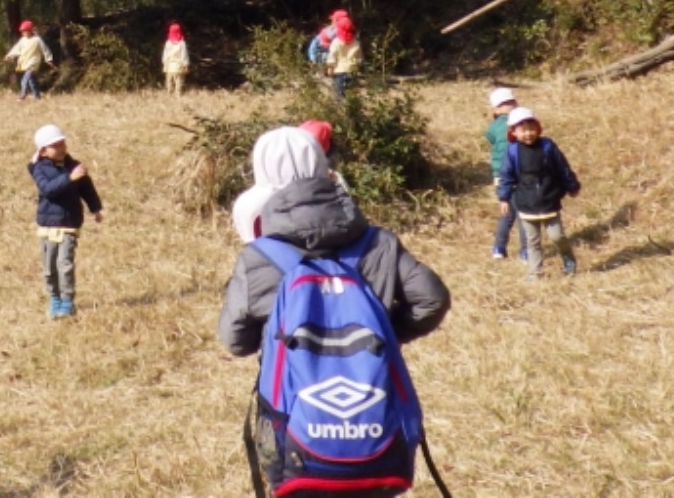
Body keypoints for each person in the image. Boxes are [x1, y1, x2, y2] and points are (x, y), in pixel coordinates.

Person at [219, 126, 451, 498]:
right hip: (376, 420)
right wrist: (388, 333)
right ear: (323, 164)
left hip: (294, 431)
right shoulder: (380, 243)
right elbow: (432, 298)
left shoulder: (258, 256)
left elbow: (234, 341)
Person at [497, 105, 581, 278]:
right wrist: (504, 198)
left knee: (557, 236)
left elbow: (562, 167)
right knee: (532, 241)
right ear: (513, 132)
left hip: (549, 199)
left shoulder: (547, 146)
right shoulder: (512, 151)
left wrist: (572, 185)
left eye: (531, 128)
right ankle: (535, 273)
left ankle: (568, 259)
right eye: (523, 130)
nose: (528, 133)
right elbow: (506, 175)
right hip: (526, 203)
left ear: (538, 128)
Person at [28, 122, 102, 317]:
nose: (61, 148)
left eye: (62, 143)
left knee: (65, 264)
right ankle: (55, 298)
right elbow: (48, 190)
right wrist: (70, 178)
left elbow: (87, 189)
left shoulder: (75, 167)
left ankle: (68, 302)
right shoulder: (39, 169)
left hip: (69, 224)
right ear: (43, 151)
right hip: (47, 226)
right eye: (55, 146)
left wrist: (95, 208)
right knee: (49, 267)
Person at [484, 87, 526, 261]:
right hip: (518, 173)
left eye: (510, 102)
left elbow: (490, 139)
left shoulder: (492, 128)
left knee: (507, 214)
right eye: (506, 103)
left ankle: (499, 248)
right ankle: (526, 251)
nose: (509, 105)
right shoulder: (518, 125)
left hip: (499, 176)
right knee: (524, 213)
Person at [3, 20, 55, 100]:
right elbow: (17, 48)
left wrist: (48, 59)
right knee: (32, 81)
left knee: (25, 80)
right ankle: (37, 97)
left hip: (33, 63)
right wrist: (10, 55)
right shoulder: (23, 40)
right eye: (22, 31)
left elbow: (45, 49)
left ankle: (22, 95)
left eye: (25, 31)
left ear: (30, 30)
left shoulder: (37, 39)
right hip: (25, 62)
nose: (24, 33)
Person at [323, 10, 361, 100]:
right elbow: (359, 57)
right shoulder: (356, 42)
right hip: (352, 70)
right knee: (351, 94)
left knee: (339, 95)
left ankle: (341, 111)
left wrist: (330, 68)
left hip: (340, 71)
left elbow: (332, 56)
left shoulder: (336, 42)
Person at [162, 23, 191, 95]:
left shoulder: (168, 43)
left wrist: (164, 63)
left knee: (169, 81)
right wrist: (186, 64)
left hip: (169, 66)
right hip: (178, 66)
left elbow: (165, 54)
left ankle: (169, 95)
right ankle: (178, 96)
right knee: (179, 82)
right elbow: (184, 55)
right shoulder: (182, 43)